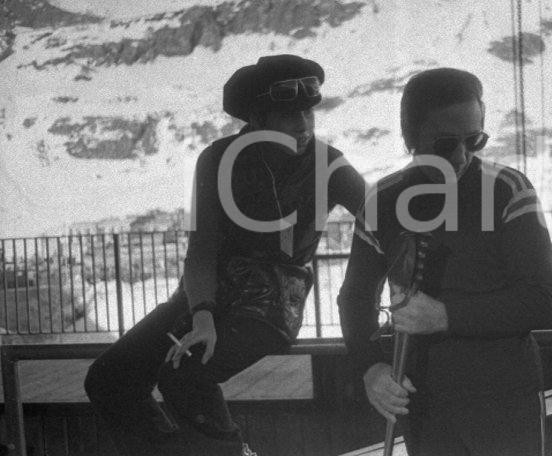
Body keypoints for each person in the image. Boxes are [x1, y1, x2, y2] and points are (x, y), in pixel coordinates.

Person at [85, 55, 365, 456]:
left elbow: (380, 220)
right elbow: (201, 249)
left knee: (184, 375)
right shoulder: (218, 159)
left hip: (270, 303)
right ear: (257, 118)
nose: (303, 124)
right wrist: (202, 315)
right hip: (207, 296)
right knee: (110, 379)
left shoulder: (329, 163)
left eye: (308, 112)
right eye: (288, 115)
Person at [338, 68, 552, 456]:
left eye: (475, 140)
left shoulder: (509, 190)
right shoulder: (381, 201)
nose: (461, 156)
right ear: (410, 136)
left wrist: (444, 315)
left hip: (504, 398)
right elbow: (355, 298)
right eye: (444, 144)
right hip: (424, 401)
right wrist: (370, 369)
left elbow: (539, 300)